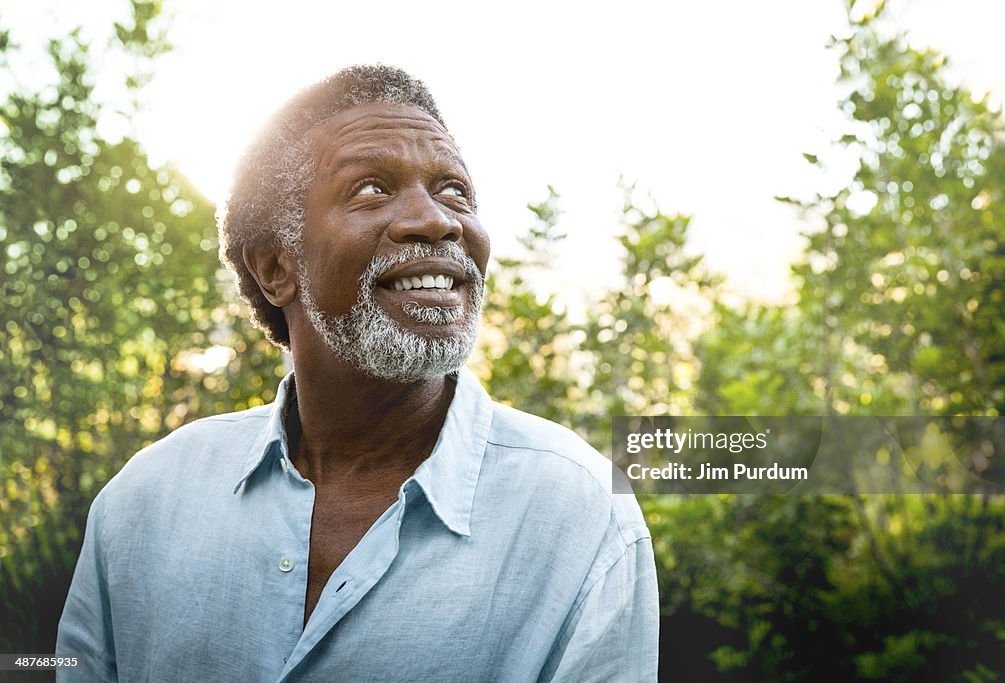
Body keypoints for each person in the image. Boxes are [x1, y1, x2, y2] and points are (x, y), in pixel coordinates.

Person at [56, 64, 658, 681]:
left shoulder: (581, 513)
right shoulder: (143, 504)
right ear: (274, 267)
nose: (437, 220)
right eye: (372, 188)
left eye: (455, 190)